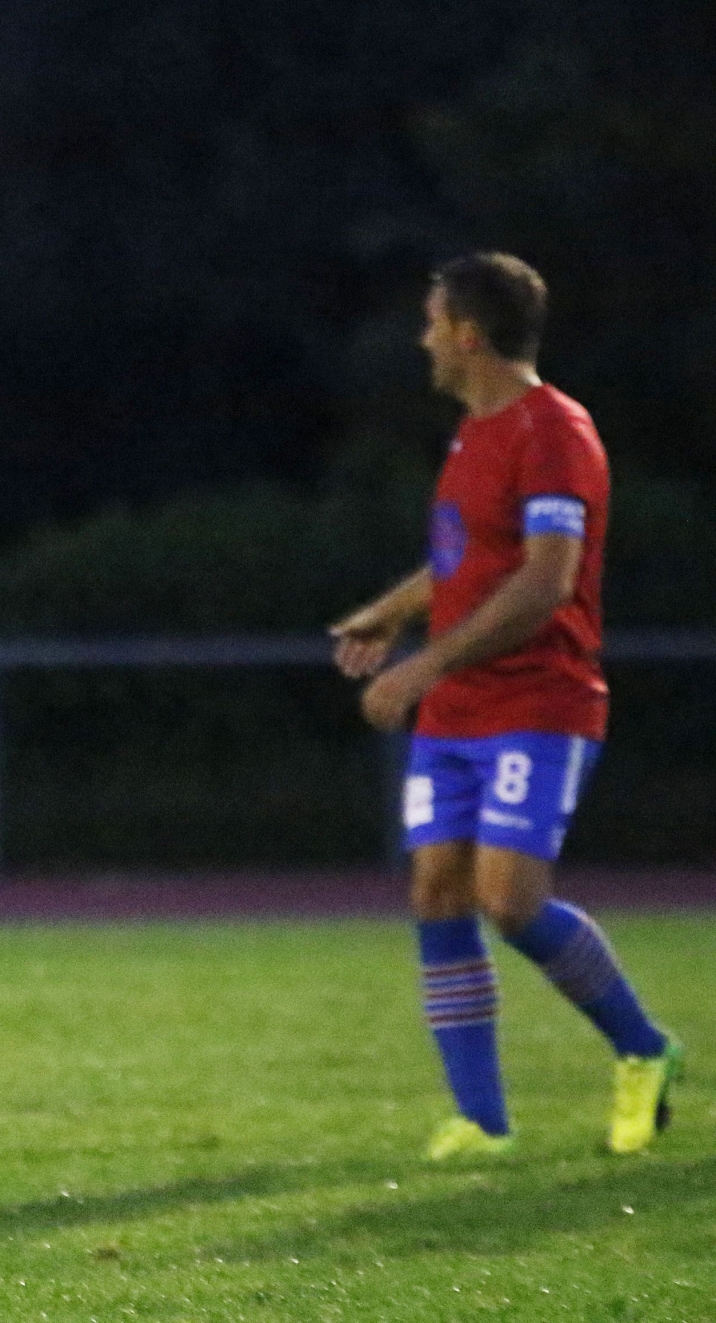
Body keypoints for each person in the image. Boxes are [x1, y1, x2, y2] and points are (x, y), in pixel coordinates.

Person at [330, 251, 681, 1161]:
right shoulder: (474, 433)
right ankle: (481, 1118)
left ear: (469, 334)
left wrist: (421, 665)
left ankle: (645, 1049)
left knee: (511, 900)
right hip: (459, 711)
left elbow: (545, 583)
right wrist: (392, 611)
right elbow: (465, 561)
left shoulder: (554, 430)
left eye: (432, 321)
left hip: (540, 701)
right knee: (437, 888)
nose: (424, 339)